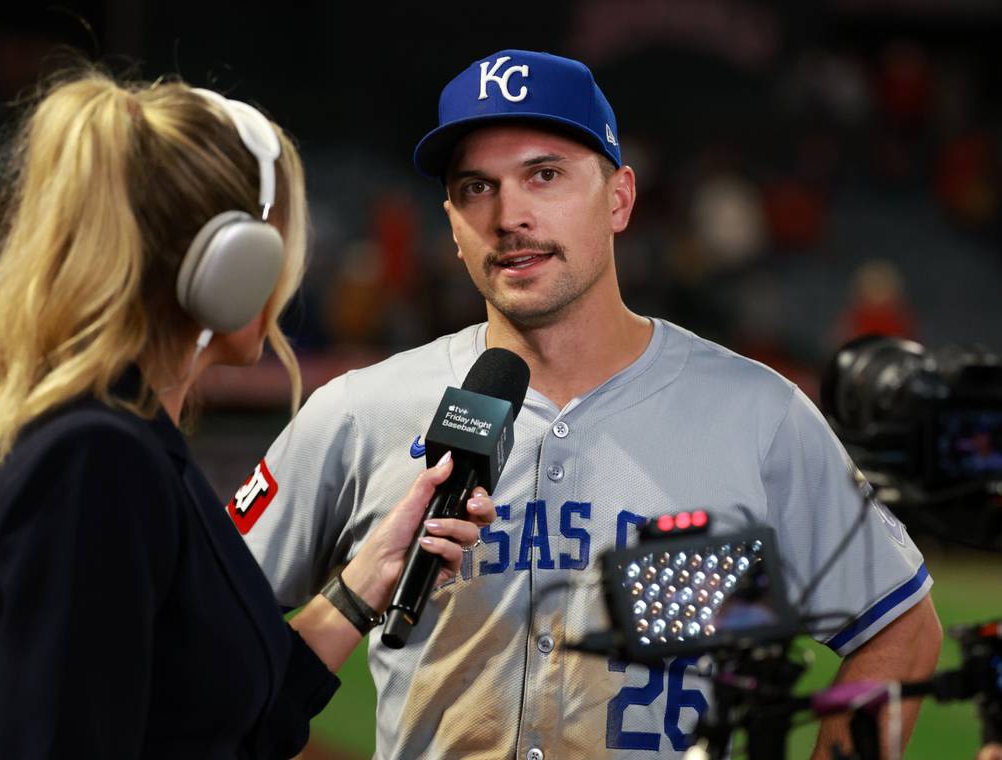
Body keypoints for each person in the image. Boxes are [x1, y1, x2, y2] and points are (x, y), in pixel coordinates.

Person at [239, 50, 942, 758]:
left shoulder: (759, 415)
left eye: (545, 175)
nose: (509, 215)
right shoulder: (363, 411)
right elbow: (200, 644)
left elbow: (900, 629)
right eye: (475, 187)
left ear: (619, 199)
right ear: (450, 223)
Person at [0, 68, 494, 759]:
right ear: (232, 260)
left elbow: (216, 725)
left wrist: (367, 580)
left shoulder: (136, 444)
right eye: (280, 240)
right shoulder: (95, 460)